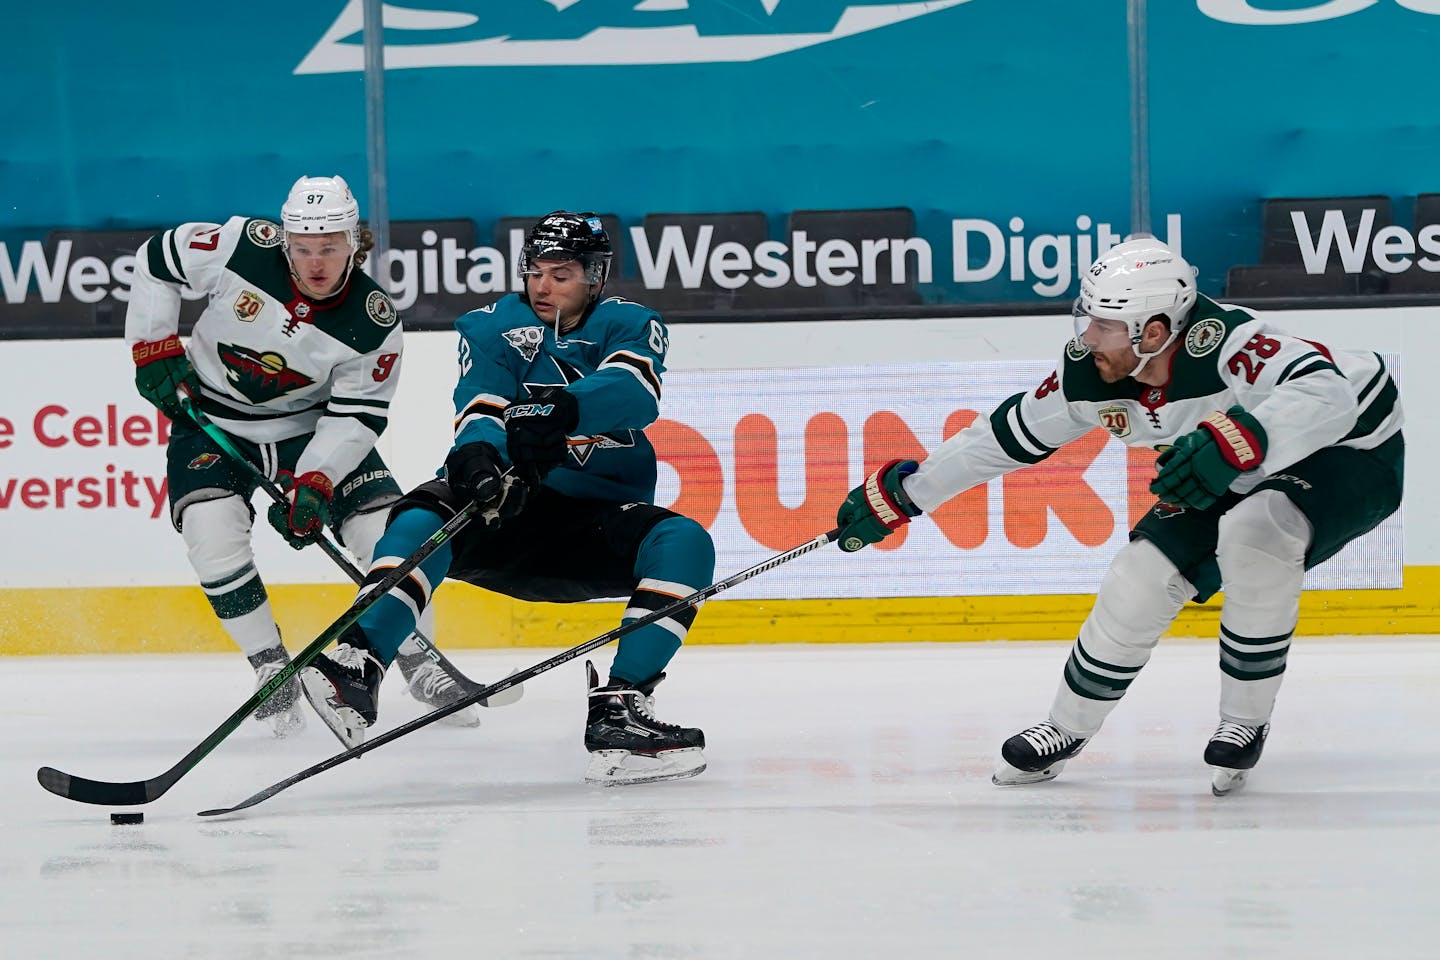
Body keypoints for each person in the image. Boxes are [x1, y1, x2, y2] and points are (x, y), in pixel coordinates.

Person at [833, 238, 1403, 796]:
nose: (1088, 337)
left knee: (1256, 531)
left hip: (1353, 449)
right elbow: (1003, 437)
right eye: (1089, 320)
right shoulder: (1090, 374)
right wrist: (908, 494)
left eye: (1104, 325)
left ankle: (1244, 720)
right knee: (1139, 577)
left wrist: (1237, 439)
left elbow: (1327, 395)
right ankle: (1065, 727)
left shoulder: (1233, 342)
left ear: (1152, 331)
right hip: (1240, 457)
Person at [299, 211, 717, 784]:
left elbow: (636, 388)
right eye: (535, 271)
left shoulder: (630, 322)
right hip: (509, 510)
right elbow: (481, 404)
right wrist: (478, 458)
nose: (543, 286)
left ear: (595, 277)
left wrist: (564, 409)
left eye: (562, 273)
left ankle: (621, 710)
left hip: (588, 528)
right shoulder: (494, 324)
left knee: (685, 541)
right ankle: (357, 665)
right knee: (425, 511)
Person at [125, 174, 481, 737]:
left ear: (354, 243)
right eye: (304, 248)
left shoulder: (374, 321)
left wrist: (314, 481)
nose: (316, 263)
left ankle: (416, 659)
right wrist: (152, 346)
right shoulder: (241, 244)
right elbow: (156, 261)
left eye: (331, 249)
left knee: (383, 530)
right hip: (213, 420)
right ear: (285, 240)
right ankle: (272, 670)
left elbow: (356, 416)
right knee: (210, 532)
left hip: (309, 429)